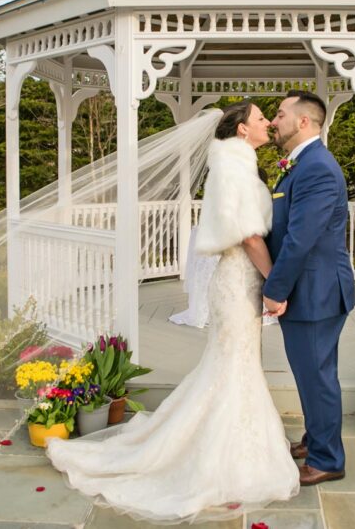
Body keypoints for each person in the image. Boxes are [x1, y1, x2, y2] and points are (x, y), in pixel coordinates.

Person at [45, 101, 300, 523]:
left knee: (232, 364)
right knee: (234, 364)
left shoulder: (239, 163)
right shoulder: (234, 168)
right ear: (241, 129)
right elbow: (251, 237)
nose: (267, 124)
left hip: (239, 281)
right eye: (259, 118)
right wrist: (276, 283)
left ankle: (224, 441)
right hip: (238, 281)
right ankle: (220, 454)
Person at [262, 90, 355, 486]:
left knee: (316, 376)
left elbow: (300, 239)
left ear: (303, 122)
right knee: (311, 373)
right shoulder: (301, 164)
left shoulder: (317, 167)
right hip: (311, 290)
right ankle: (316, 439)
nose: (273, 121)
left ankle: (327, 459)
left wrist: (274, 289)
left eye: (280, 114)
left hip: (315, 292)